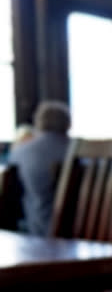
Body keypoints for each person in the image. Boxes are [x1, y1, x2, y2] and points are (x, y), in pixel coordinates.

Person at [8, 101, 72, 236]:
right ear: (68, 123)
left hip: (39, 229)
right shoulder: (84, 150)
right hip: (85, 228)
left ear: (39, 122)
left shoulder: (21, 151)